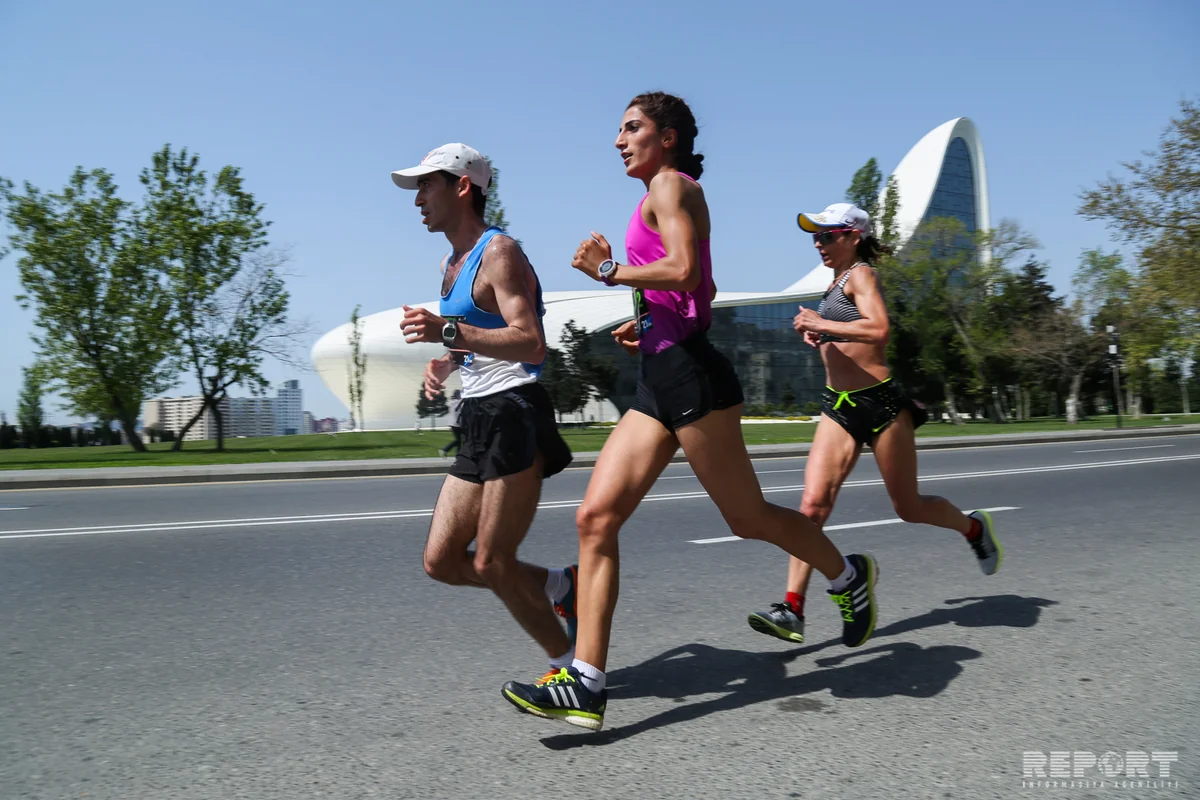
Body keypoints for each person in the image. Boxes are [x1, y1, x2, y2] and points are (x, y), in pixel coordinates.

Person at [500, 94, 880, 732]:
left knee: (748, 517)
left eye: (632, 128)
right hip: (661, 370)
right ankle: (586, 682)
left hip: (691, 377)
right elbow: (685, 289)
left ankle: (846, 576)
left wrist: (610, 271)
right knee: (595, 517)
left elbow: (681, 267)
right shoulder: (658, 190)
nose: (619, 140)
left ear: (667, 137)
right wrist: (642, 319)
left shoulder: (673, 185)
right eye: (619, 129)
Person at [745, 203, 1003, 645]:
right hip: (838, 405)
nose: (818, 243)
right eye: (815, 236)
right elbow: (850, 331)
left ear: (852, 237)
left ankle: (974, 528)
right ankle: (792, 607)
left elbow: (879, 329)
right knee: (812, 508)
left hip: (880, 405)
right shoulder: (835, 283)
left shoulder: (861, 274)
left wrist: (822, 322)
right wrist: (822, 333)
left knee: (909, 507)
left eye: (827, 235)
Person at [392, 142, 580, 680]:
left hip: (514, 411)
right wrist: (447, 362)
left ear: (462, 186)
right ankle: (559, 586)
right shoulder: (452, 264)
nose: (418, 199)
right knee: (442, 561)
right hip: (476, 414)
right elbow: (480, 332)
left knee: (492, 561)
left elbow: (530, 342)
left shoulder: (500, 252)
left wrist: (448, 329)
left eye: (426, 185)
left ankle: (567, 669)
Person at [440, 389, 464, 457]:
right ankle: (445, 450)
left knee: (459, 440)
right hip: (457, 424)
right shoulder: (458, 402)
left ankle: (458, 455)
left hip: (453, 423)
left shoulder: (452, 402)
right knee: (459, 440)